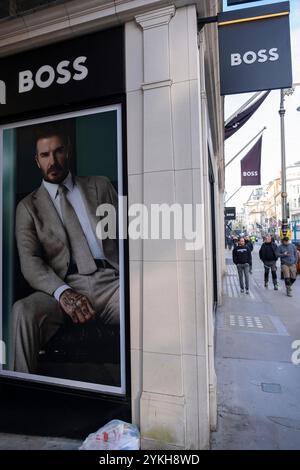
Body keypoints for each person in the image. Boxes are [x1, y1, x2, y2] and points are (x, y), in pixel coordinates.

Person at [12, 123, 119, 374]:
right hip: (60, 286)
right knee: (22, 312)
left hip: (112, 283)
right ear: (36, 160)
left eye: (58, 152)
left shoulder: (100, 186)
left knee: (150, 303)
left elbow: (127, 236)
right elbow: (30, 262)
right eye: (45, 155)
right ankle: (22, 400)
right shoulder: (28, 207)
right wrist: (63, 292)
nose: (53, 161)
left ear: (68, 151)